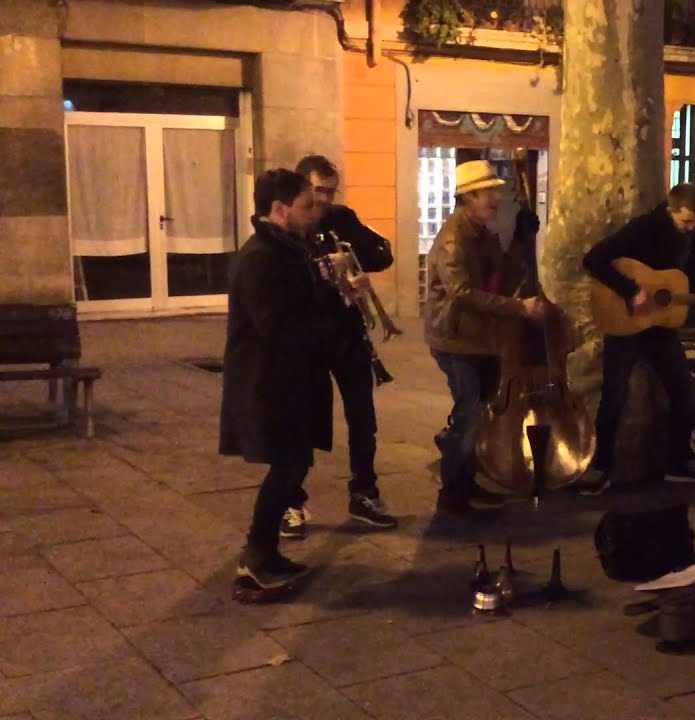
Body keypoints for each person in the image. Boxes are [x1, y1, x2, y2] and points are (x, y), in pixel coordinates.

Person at [275, 155, 397, 538]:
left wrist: (357, 268)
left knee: (363, 419)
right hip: (308, 339)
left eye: (330, 190)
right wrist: (328, 265)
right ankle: (290, 501)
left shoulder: (343, 219)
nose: (325, 199)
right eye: (318, 190)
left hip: (347, 334)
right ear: (301, 188)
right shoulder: (290, 223)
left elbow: (382, 252)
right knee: (302, 422)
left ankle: (364, 493)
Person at [219, 169, 329, 588]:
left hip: (289, 380)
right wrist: (323, 303)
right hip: (268, 383)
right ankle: (255, 558)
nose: (313, 213)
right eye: (306, 206)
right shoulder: (262, 257)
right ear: (279, 210)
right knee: (287, 467)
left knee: (294, 464)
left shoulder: (287, 250)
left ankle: (266, 553)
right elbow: (277, 326)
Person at [581, 183, 695, 493]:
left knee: (684, 391)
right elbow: (594, 260)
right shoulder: (643, 228)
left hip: (660, 327)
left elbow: (691, 287)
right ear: (670, 210)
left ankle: (677, 462)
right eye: (686, 221)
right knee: (614, 396)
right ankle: (601, 468)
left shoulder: (692, 238)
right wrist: (631, 291)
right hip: (624, 324)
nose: (691, 228)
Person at [424, 160, 544, 515]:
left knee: (478, 413)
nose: (495, 198)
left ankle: (468, 481)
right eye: (488, 192)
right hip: (455, 339)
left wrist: (522, 243)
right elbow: (462, 293)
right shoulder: (453, 238)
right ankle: (452, 494)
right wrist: (520, 309)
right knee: (469, 412)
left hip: (481, 338)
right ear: (468, 196)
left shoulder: (483, 232)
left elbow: (501, 281)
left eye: (495, 190)